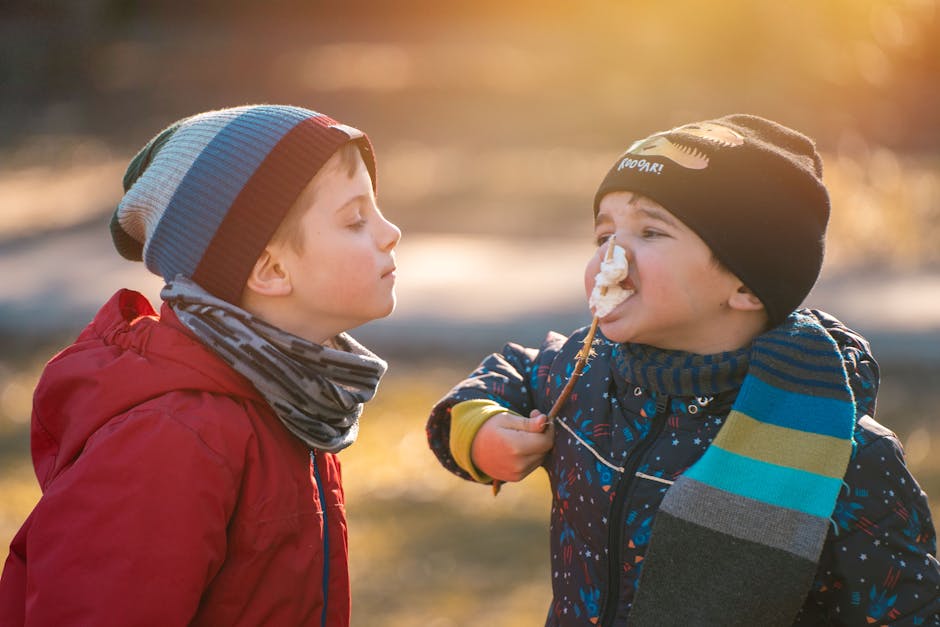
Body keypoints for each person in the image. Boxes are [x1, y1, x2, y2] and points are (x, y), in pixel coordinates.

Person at [427, 114, 940, 625]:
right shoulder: (583, 376)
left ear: (747, 286)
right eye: (603, 232)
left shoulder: (836, 454)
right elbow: (510, 373)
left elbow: (910, 608)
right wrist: (480, 431)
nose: (612, 254)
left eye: (650, 231)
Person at [0, 104, 401, 625]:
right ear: (271, 269)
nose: (390, 231)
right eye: (355, 219)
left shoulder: (291, 400)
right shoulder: (172, 437)